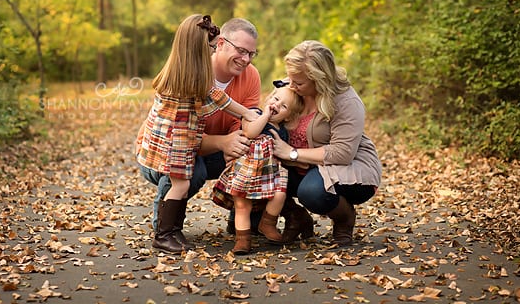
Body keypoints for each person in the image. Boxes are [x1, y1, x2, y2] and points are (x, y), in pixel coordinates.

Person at [136, 14, 258, 254]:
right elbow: (218, 99)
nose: (212, 52)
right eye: (211, 48)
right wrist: (248, 113)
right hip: (176, 141)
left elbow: (219, 99)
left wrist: (246, 114)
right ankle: (164, 233)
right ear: (200, 50)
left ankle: (171, 231)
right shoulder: (193, 80)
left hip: (176, 140)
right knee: (181, 184)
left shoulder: (179, 72)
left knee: (181, 184)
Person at [268, 40, 383, 246]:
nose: (290, 85)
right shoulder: (292, 87)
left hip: (347, 168)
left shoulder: (346, 101)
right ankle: (297, 217)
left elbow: (342, 153)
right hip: (301, 165)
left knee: (312, 193)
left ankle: (344, 218)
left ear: (319, 79)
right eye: (291, 79)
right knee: (256, 172)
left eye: (299, 83)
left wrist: (293, 154)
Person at [212, 86, 304, 254]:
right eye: (275, 99)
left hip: (270, 173)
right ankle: (242, 239)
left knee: (280, 194)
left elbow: (281, 152)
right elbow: (250, 132)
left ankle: (267, 223)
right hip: (246, 169)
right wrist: (266, 116)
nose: (276, 105)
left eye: (284, 106)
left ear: (289, 116)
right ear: (269, 98)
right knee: (242, 205)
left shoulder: (282, 131)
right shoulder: (253, 114)